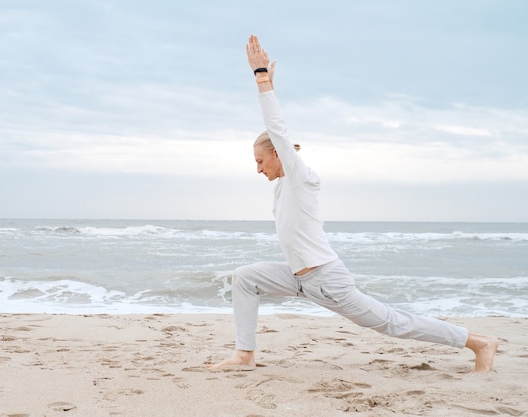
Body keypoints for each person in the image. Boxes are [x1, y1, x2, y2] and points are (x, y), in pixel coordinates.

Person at [209, 35, 499, 373]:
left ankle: (478, 341)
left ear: (277, 153)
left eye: (261, 161)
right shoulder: (283, 185)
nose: (257, 169)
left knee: (391, 323)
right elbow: (276, 135)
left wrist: (261, 78)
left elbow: (278, 129)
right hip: (297, 277)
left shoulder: (302, 179)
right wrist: (270, 86)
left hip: (327, 280)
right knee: (245, 277)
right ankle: (245, 355)